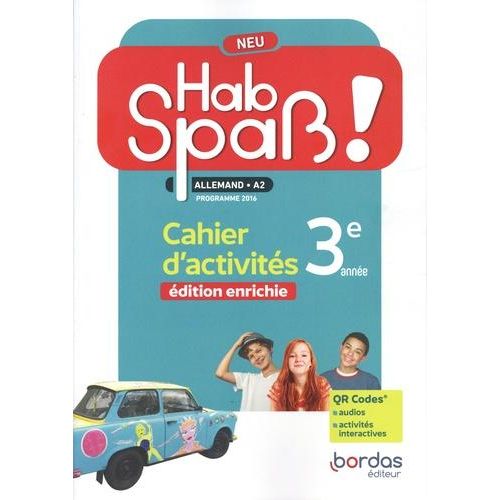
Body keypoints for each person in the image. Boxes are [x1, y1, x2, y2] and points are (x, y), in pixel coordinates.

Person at [215, 332, 279, 411]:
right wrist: (236, 346)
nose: (256, 357)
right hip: (248, 420)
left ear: (270, 349)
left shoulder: (285, 377)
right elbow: (220, 373)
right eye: (251, 356)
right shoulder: (248, 379)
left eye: (258, 351)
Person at [268, 339, 330, 411]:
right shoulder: (279, 388)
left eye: (304, 355)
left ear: (311, 361)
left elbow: (329, 415)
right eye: (292, 356)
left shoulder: (322, 384)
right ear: (287, 362)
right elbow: (274, 417)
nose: (298, 359)